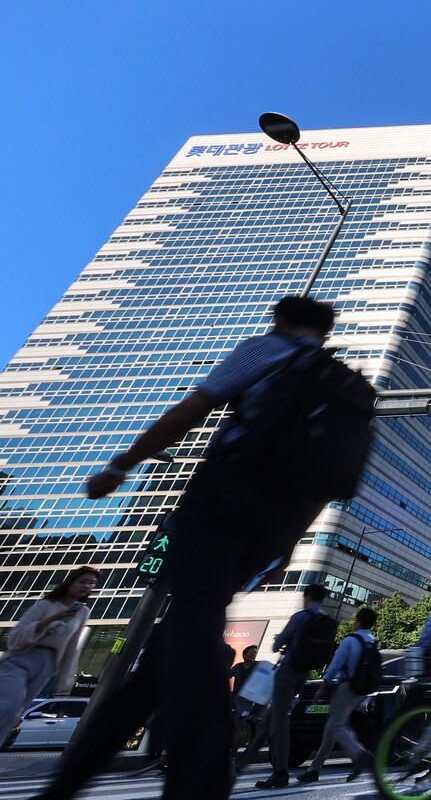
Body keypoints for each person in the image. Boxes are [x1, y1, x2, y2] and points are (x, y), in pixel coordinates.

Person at [75, 294, 370, 800]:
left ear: (281, 320)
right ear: (324, 332)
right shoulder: (343, 387)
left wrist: (121, 464)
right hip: (269, 532)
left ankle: (203, 775)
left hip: (219, 505)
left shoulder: (267, 350)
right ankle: (71, 777)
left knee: (192, 628)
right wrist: (286, 548)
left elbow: (191, 411)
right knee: (172, 646)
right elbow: (329, 484)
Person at [251, 583, 333, 789]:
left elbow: (277, 645)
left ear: (307, 596)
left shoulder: (301, 617)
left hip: (288, 671)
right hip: (303, 674)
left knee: (279, 723)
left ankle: (280, 772)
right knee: (271, 719)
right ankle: (242, 762)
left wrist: (279, 641)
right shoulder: (325, 620)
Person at [0, 567, 98, 735]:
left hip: (48, 663)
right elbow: (15, 639)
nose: (87, 586)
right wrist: (51, 620)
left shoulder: (82, 612)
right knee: (8, 707)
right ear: (70, 583)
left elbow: (73, 647)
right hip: (20, 658)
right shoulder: (46, 605)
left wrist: (65, 682)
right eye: (83, 581)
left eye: (92, 583)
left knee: (16, 715)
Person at [297, 607, 378, 784]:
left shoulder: (350, 640)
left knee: (336, 726)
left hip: (346, 687)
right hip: (361, 690)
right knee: (333, 726)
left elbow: (335, 666)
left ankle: (359, 754)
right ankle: (314, 769)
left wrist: (322, 688)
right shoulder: (373, 641)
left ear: (358, 621)